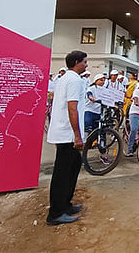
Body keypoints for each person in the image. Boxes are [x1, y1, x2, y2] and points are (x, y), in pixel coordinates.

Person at [46, 50, 87, 226]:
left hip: (66, 133)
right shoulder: (74, 80)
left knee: (73, 167)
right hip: (67, 134)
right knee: (62, 174)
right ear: (77, 62)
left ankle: (66, 204)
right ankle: (55, 213)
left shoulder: (66, 79)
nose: (86, 64)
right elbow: (72, 108)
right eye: (85, 62)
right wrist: (77, 135)